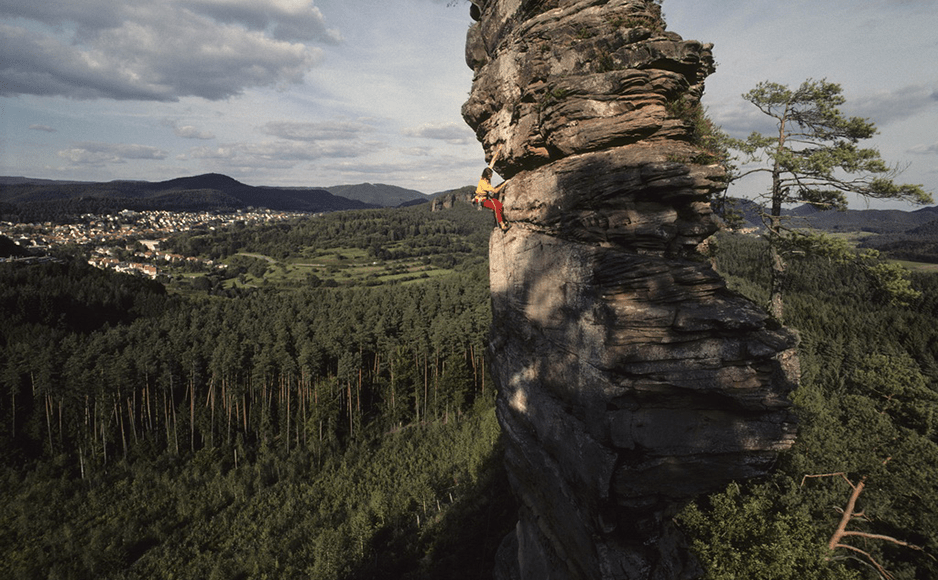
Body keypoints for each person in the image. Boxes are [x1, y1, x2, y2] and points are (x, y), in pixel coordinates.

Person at [473, 167, 511, 231]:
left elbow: (489, 166)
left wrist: (493, 161)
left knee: (499, 205)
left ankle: (503, 220)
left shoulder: (483, 178)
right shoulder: (484, 184)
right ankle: (502, 225)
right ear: (487, 175)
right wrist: (505, 183)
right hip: (481, 200)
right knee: (497, 207)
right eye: (490, 175)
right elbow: (495, 191)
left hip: (485, 197)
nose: (491, 176)